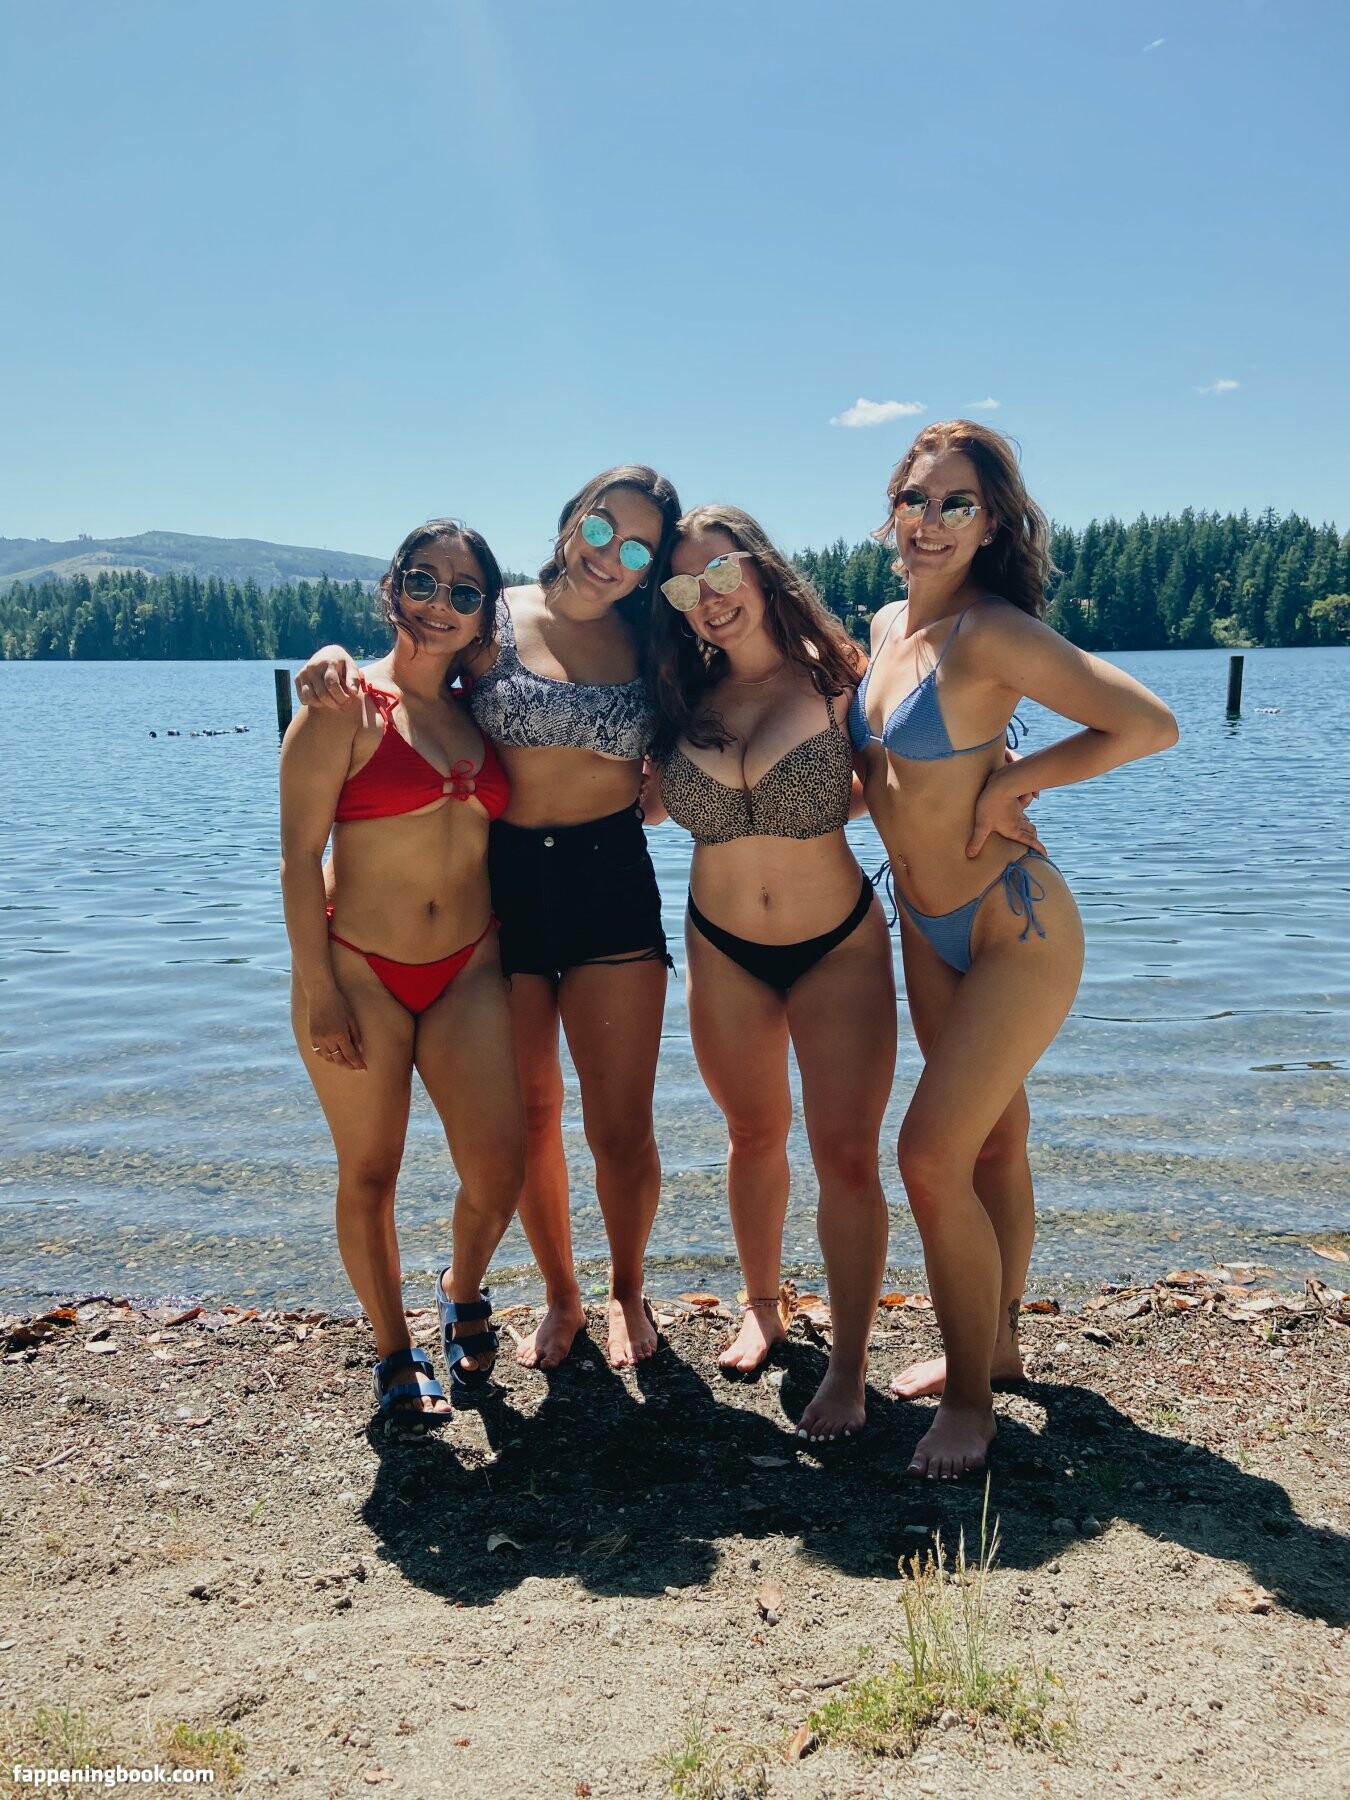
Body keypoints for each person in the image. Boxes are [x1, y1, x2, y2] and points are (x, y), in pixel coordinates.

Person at [293, 466, 683, 1370]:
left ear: (651, 568)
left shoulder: (656, 643)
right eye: (601, 528)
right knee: (534, 1115)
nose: (611, 556)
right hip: (505, 887)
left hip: (610, 879)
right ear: (572, 522)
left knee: (621, 1127)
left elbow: (684, 755)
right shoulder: (490, 616)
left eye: (638, 548)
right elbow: (408, 673)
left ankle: (627, 1292)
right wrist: (333, 655)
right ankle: (561, 1295)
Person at [850, 421, 1179, 1479]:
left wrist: (1014, 783)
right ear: (893, 510)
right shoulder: (885, 624)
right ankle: (994, 1346)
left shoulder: (992, 633)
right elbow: (887, 779)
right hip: (923, 924)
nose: (931, 520)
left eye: (958, 503)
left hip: (1012, 925)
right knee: (992, 1143)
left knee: (928, 1156)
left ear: (991, 524)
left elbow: (1147, 725)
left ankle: (971, 1402)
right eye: (916, 499)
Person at [648, 505, 897, 1440]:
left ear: (759, 568)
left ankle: (851, 1363)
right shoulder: (678, 692)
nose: (707, 600)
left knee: (846, 1154)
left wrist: (1002, 790)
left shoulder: (841, 677)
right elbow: (634, 799)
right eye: (684, 586)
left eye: (720, 573)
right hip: (721, 945)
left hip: (838, 943)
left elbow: (910, 775)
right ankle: (762, 1306)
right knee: (753, 1133)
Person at [280, 519, 525, 1426]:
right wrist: (320, 989)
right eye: (423, 581)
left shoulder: (483, 711)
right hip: (359, 972)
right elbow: (298, 859)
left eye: (464, 593)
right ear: (394, 587)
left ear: (483, 615)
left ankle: (461, 1285)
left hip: (469, 967)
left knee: (499, 1170)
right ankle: (393, 1351)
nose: (438, 605)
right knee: (371, 1170)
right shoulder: (341, 706)